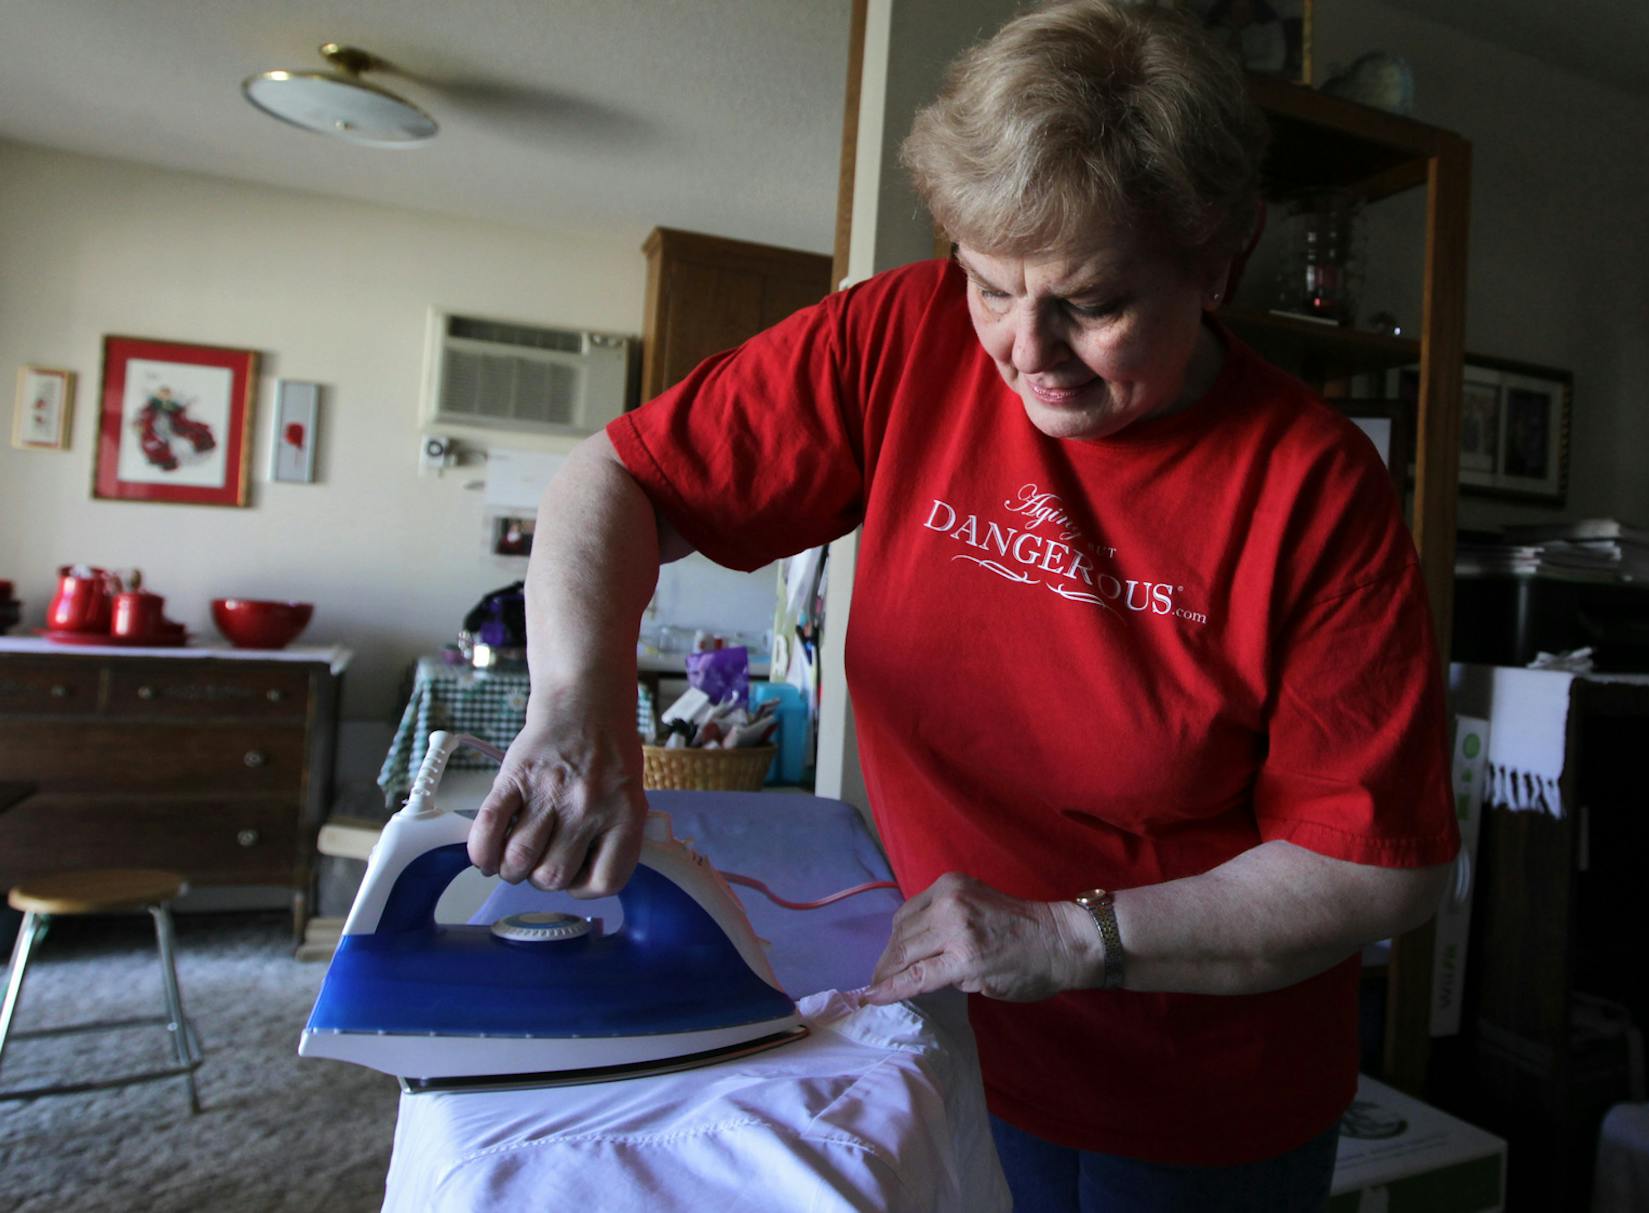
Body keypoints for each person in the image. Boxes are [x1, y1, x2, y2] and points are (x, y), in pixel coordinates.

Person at [466, 2, 1458, 1209]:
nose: (1025, 351)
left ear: (1218, 257)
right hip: (944, 1034)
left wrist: (1069, 936)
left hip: (1198, 1100)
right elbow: (614, 478)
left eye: (1091, 305)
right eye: (992, 284)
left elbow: (1376, 869)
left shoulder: (1312, 487)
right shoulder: (901, 336)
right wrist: (578, 702)